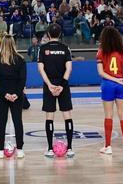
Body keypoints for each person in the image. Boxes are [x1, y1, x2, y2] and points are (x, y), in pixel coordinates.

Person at [38, 23, 75, 158]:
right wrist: (62, 86)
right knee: (67, 116)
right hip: (62, 87)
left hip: (50, 87)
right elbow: (69, 68)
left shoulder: (43, 49)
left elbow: (41, 69)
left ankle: (49, 149)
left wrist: (49, 85)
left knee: (49, 117)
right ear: (59, 34)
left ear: (48, 34)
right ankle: (70, 148)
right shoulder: (65, 48)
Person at [97, 25, 123, 154]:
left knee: (108, 115)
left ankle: (108, 146)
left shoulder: (101, 52)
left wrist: (113, 79)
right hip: (121, 85)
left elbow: (101, 72)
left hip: (107, 85)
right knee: (122, 115)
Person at [0, 34, 27, 158]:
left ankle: (0, 150)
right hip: (16, 95)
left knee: (1, 121)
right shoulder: (21, 59)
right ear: (13, 43)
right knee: (18, 121)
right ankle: (20, 149)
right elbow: (22, 80)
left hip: (2, 95)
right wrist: (16, 94)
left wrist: (6, 94)